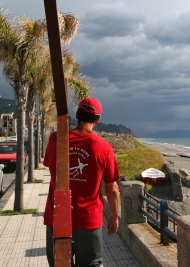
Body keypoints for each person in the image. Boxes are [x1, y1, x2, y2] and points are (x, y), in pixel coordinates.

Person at [43, 97, 120, 267]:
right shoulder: (104, 147)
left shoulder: (56, 139)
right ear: (97, 120)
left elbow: (49, 165)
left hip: (57, 218)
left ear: (77, 114)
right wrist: (114, 216)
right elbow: (112, 187)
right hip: (88, 220)